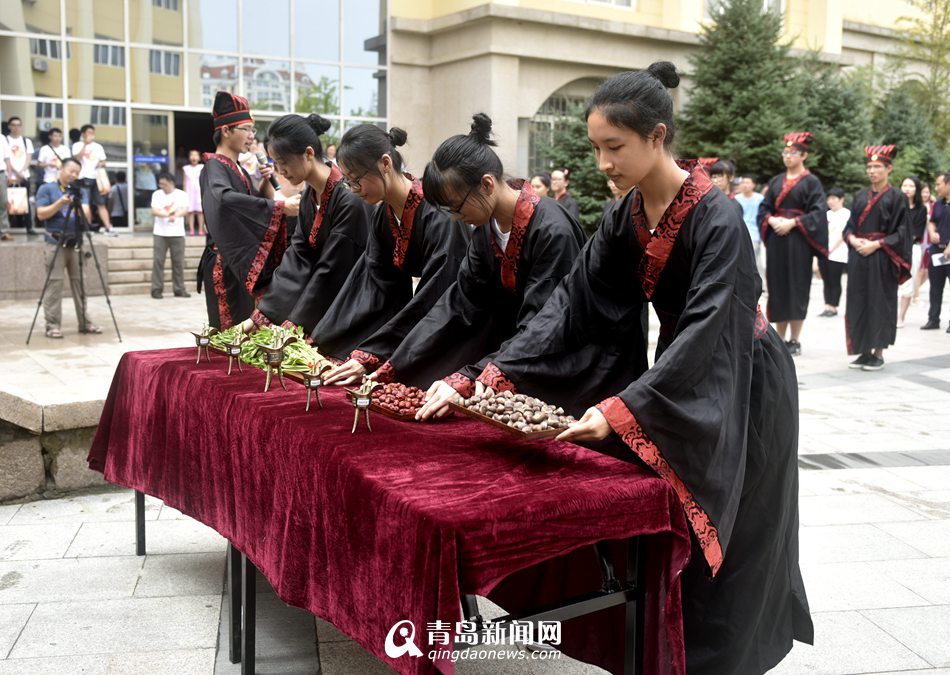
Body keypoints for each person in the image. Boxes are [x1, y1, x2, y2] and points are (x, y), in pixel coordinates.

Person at [474, 62, 813, 674]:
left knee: (735, 537)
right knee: (667, 529)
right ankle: (663, 653)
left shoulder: (718, 217)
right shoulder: (625, 215)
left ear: (656, 137)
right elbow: (572, 304)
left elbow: (713, 329)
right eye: (596, 148)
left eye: (615, 146)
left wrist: (623, 408)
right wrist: (493, 371)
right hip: (684, 375)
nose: (604, 162)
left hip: (741, 380)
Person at [363, 113, 585, 419]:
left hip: (562, 362)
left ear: (487, 184)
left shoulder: (553, 230)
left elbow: (547, 323)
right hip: (516, 354)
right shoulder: (485, 231)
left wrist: (477, 373)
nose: (454, 217)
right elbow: (458, 303)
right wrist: (394, 360)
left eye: (456, 206)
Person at [317, 124, 470, 385]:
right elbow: (375, 285)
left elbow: (439, 293)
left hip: (455, 320)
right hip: (421, 318)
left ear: (385, 163)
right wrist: (326, 341)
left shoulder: (439, 215)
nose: (353, 189)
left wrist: (376, 352)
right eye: (347, 181)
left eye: (356, 179)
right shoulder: (383, 215)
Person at [238, 113, 369, 335]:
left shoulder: (349, 199)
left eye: (283, 162)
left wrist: (293, 324)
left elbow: (332, 271)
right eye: (276, 164)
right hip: (325, 305)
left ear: (309, 153)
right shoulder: (310, 196)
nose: (280, 171)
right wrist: (263, 315)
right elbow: (298, 255)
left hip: (353, 311)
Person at [198, 90, 300, 329]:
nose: (251, 136)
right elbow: (228, 201)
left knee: (246, 334)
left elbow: (251, 201)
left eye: (253, 130)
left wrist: (266, 181)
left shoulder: (237, 168)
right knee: (230, 335)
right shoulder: (213, 166)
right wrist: (280, 206)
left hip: (238, 262)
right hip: (225, 264)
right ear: (226, 131)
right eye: (246, 129)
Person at [757, 131, 827, 356]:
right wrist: (772, 219)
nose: (787, 156)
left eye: (792, 153)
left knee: (797, 287)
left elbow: (818, 212)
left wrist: (794, 222)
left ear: (803, 155)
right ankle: (780, 336)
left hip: (799, 241)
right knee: (777, 286)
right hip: (777, 239)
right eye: (785, 152)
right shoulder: (776, 181)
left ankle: (795, 339)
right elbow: (764, 208)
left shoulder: (812, 182)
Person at [843, 146, 911, 370]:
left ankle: (878, 352)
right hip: (859, 256)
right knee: (858, 301)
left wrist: (877, 244)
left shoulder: (897, 197)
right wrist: (852, 240)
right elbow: (850, 226)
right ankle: (862, 350)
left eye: (877, 167)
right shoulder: (860, 195)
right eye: (869, 167)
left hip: (882, 258)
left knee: (880, 303)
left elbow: (902, 232)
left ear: (888, 168)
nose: (872, 171)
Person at [35, 157, 102, 338]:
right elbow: (40, 214)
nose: (74, 175)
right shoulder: (46, 188)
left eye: (77, 173)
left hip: (76, 243)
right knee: (55, 285)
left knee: (80, 284)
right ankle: (52, 325)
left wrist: (79, 204)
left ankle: (85, 322)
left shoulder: (80, 192)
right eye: (71, 171)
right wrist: (61, 203)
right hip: (55, 243)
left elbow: (87, 216)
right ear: (61, 169)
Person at [150, 172, 190, 299]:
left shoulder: (181, 194)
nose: (162, 186)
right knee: (158, 261)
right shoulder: (156, 194)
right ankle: (156, 289)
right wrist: (168, 215)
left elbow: (185, 210)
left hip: (177, 233)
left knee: (178, 262)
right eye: (160, 184)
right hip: (160, 233)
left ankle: (179, 289)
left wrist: (176, 216)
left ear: (171, 182)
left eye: (164, 184)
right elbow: (154, 211)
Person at [71, 124, 113, 233]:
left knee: (101, 203)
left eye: (92, 132)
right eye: (89, 132)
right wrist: (85, 144)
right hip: (83, 178)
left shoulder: (98, 147)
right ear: (83, 134)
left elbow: (104, 161)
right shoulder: (77, 145)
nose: (91, 135)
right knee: (85, 203)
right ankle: (87, 226)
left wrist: (101, 164)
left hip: (96, 178)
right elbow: (77, 158)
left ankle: (108, 227)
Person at [897, 176, 927, 327]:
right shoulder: (894, 205)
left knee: (908, 282)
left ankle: (900, 317)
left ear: (917, 189)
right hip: (892, 248)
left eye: (911, 186)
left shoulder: (921, 210)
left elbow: (916, 233)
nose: (907, 188)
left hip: (911, 248)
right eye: (905, 185)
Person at [922, 172, 950, 331]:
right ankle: (933, 319)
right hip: (937, 252)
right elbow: (932, 222)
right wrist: (932, 233)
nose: (936, 187)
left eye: (939, 184)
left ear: (948, 184)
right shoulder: (938, 204)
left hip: (949, 251)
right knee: (935, 287)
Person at [819, 187, 850, 317]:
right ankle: (827, 305)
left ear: (841, 199)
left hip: (838, 253)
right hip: (824, 252)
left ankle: (833, 307)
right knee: (826, 280)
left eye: (833, 198)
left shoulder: (846, 214)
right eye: (829, 199)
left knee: (834, 280)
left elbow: (843, 234)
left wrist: (830, 249)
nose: (830, 201)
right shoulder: (826, 214)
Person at [5, 117, 35, 234]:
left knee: (25, 203)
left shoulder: (26, 141)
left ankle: (29, 227)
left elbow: (28, 158)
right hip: (9, 176)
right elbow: (5, 158)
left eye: (18, 125)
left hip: (24, 176)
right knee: (7, 203)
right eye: (13, 125)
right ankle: (6, 229)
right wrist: (15, 172)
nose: (16, 127)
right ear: (9, 126)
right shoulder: (5, 140)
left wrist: (22, 171)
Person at [735, 175, 766, 286]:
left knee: (755, 260)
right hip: (739, 232)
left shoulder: (760, 199)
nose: (745, 185)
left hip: (755, 233)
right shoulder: (736, 199)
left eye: (748, 182)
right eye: (743, 182)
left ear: (753, 185)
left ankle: (760, 284)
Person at [915, 181, 934, 303]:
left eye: (927, 192)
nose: (925, 194)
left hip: (930, 240)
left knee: (927, 270)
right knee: (918, 269)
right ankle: (915, 295)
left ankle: (914, 289)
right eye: (923, 192)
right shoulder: (916, 206)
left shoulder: (934, 205)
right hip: (919, 239)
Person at [182, 149, 205, 236]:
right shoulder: (186, 168)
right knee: (190, 212)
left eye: (196, 155)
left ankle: (200, 229)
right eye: (192, 155)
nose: (194, 157)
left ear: (199, 158)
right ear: (189, 157)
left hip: (199, 191)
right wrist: (184, 193)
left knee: (200, 212)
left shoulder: (202, 167)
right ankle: (191, 229)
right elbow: (185, 181)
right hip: (189, 192)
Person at [0, 134, 10, 241]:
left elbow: (7, 157)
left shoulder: (2, 138)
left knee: (3, 202)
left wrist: (10, 174)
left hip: (1, 173)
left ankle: (3, 232)